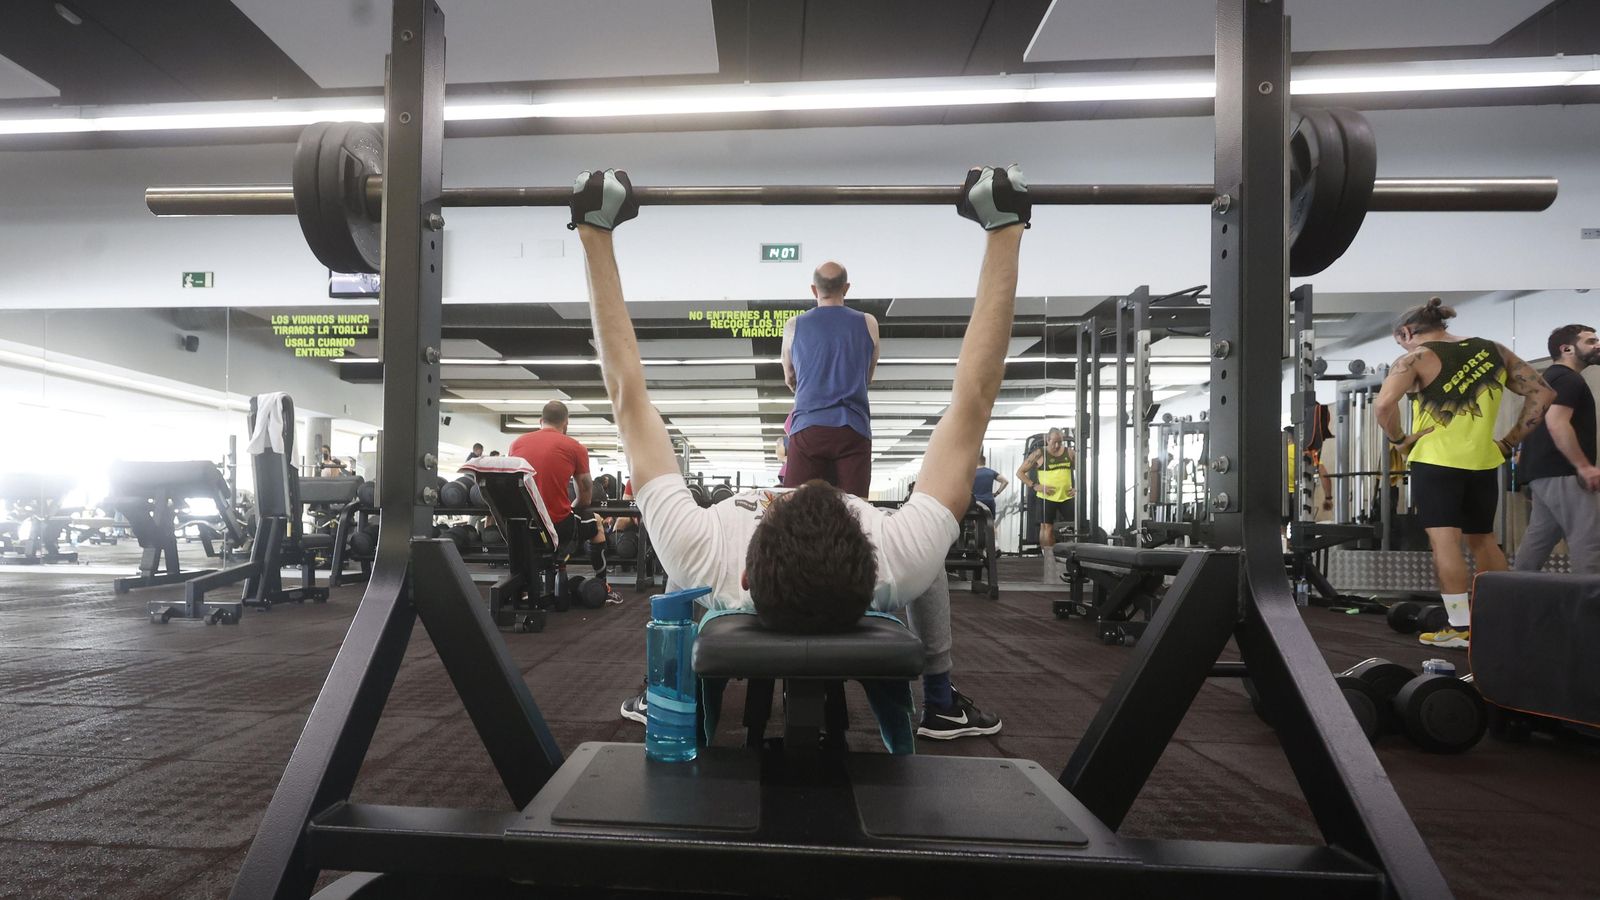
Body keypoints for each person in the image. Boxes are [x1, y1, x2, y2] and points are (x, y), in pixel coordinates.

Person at [569, 164, 1026, 740]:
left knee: (677, 561)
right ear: (872, 580)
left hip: (806, 436)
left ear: (746, 575)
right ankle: (938, 700)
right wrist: (1004, 229)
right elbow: (974, 399)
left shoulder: (708, 553)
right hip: (848, 435)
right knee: (928, 559)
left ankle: (663, 684)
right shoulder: (897, 554)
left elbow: (627, 397)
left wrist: (593, 231)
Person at [1375, 298, 1554, 649]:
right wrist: (1508, 442)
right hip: (1485, 461)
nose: (1403, 345)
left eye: (1401, 340)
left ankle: (1460, 627)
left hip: (1436, 460)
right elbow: (1543, 393)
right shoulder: (1494, 351)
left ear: (1406, 332)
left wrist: (1399, 440)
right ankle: (1504, 619)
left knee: (1445, 541)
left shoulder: (1415, 358)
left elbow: (1383, 405)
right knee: (1483, 539)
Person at [780, 261, 880, 497]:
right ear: (846, 288)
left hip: (808, 429)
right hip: (853, 429)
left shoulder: (793, 325)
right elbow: (868, 376)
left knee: (797, 508)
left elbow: (789, 377)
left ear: (814, 290)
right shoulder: (869, 322)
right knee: (856, 510)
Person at [507, 400, 620, 604]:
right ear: (566, 424)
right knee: (596, 523)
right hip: (557, 527)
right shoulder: (575, 447)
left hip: (520, 528)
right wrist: (570, 510)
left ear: (541, 421)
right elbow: (585, 497)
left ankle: (524, 587)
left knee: (540, 537)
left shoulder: (516, 443)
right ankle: (603, 586)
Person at [1513, 324, 1600, 574]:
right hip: (1563, 472)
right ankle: (1588, 609)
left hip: (1544, 473)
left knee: (1539, 540)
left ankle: (1518, 598)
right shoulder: (1568, 379)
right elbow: (1557, 423)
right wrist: (1584, 466)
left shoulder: (1547, 379)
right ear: (1567, 349)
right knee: (1589, 540)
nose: (1598, 345)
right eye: (1591, 341)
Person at [1016, 428, 1076, 583]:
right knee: (1046, 527)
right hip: (1046, 497)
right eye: (1054, 442)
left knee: (1073, 528)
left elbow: (1082, 471)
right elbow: (1020, 472)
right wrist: (1034, 485)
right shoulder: (1039, 454)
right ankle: (1048, 558)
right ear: (1047, 440)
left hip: (1066, 497)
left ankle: (1071, 560)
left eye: (1059, 442)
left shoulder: (1070, 453)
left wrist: (1078, 488)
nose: (1056, 446)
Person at [972, 452, 1009, 518]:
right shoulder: (991, 472)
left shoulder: (971, 473)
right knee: (991, 523)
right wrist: (996, 493)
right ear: (984, 462)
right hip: (989, 501)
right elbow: (1005, 481)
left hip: (976, 502)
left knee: (975, 522)